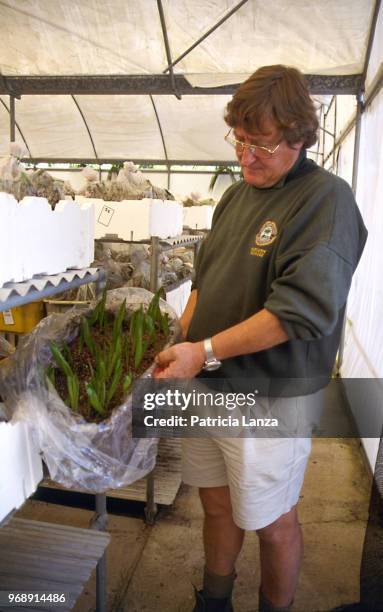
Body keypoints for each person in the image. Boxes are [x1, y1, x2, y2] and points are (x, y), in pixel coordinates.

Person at [154, 65, 368, 612]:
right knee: (217, 505)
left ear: (298, 136)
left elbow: (298, 312)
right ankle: (215, 600)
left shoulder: (326, 200)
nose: (246, 157)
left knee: (272, 521)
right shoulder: (234, 197)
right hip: (208, 388)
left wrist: (201, 351)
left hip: (269, 398)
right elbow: (204, 281)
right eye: (240, 141)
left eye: (262, 145)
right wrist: (179, 342)